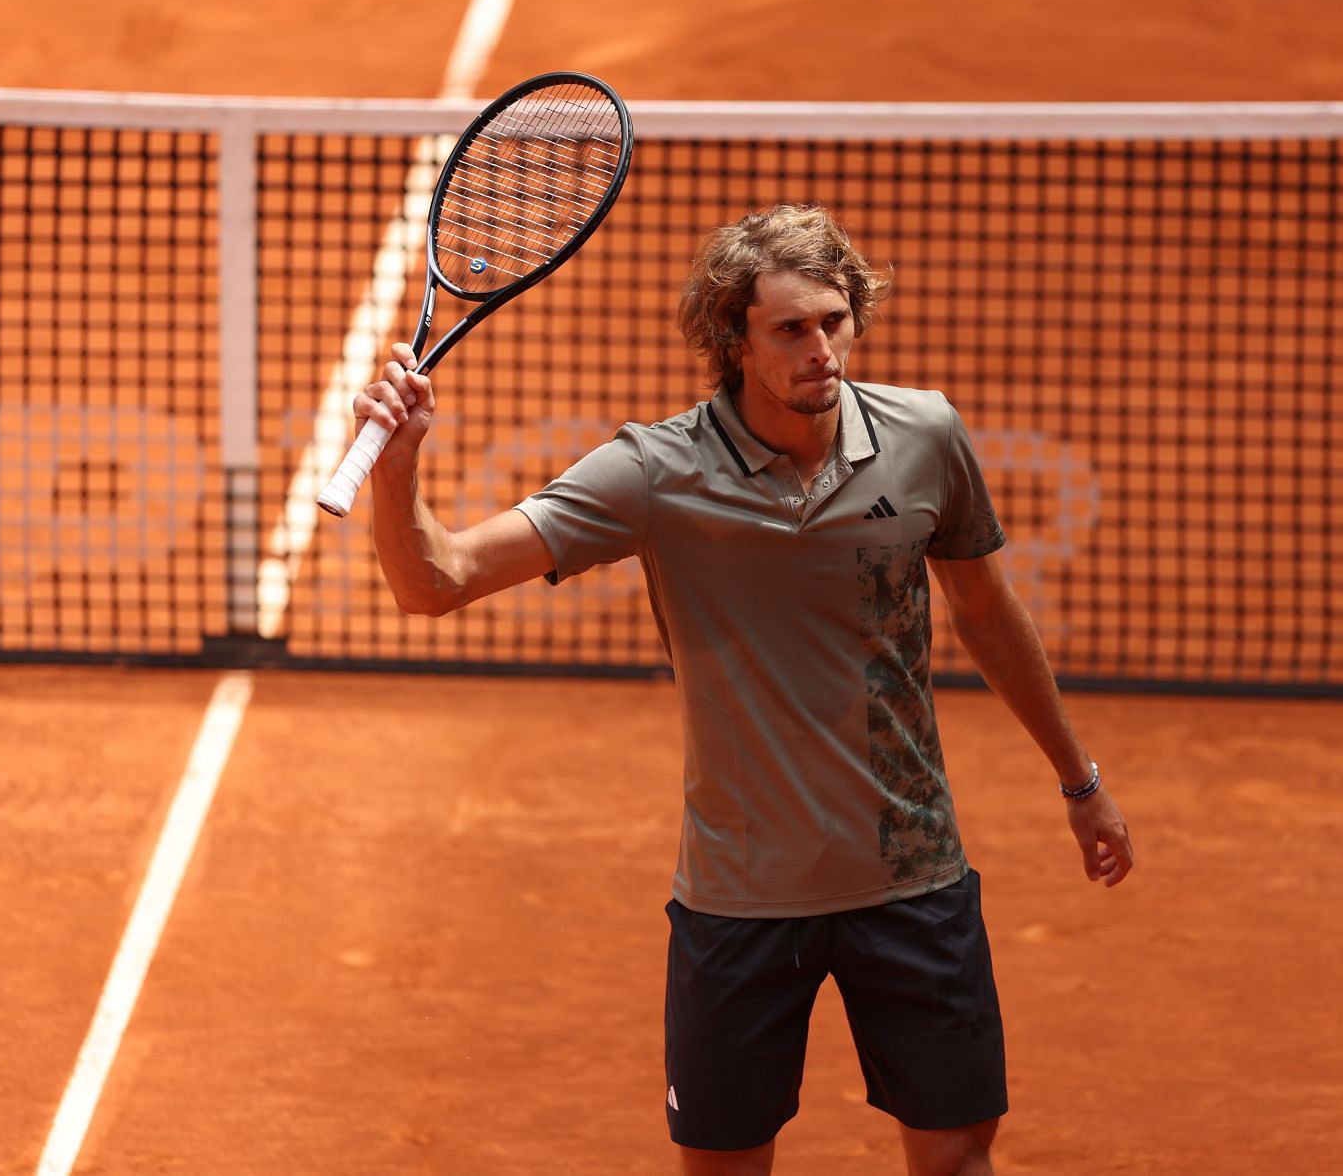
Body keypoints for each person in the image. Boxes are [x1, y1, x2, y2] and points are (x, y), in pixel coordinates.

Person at [355, 203, 1134, 1176]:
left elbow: (987, 614)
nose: (824, 350)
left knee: (959, 1164)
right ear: (733, 339)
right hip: (741, 897)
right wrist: (398, 468)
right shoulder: (655, 473)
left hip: (912, 874)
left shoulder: (925, 435)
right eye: (791, 329)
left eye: (836, 321)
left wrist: (1080, 779)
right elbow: (438, 580)